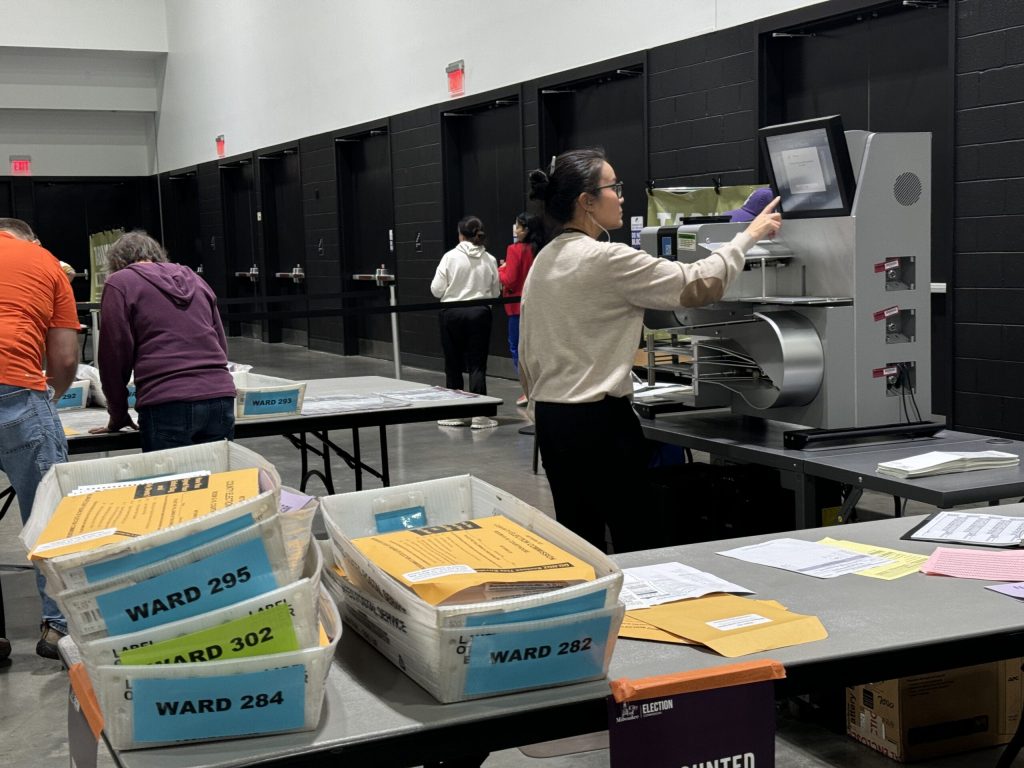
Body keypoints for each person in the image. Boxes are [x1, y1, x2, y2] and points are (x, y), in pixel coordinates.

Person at [519, 149, 781, 554]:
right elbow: (698, 284)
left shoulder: (545, 260)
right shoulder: (605, 258)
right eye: (614, 187)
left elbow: (527, 351)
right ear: (586, 202)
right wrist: (747, 236)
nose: (621, 196)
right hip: (598, 423)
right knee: (639, 539)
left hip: (553, 421)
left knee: (581, 539)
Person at [0, 217, 80, 660]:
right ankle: (56, 628)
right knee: (48, 510)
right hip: (16, 390)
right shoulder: (46, 262)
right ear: (31, 238)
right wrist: (52, 396)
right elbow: (65, 358)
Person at [88, 231, 236, 451]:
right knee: (215, 482)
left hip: (166, 400)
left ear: (116, 261)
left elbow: (114, 355)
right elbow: (219, 343)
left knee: (172, 483)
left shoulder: (120, 283)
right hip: (219, 395)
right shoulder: (195, 279)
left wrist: (118, 413)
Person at [430, 215, 501, 429]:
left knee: (452, 363)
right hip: (479, 313)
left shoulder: (449, 257)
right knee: (477, 365)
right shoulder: (489, 259)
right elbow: (496, 291)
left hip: (452, 312)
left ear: (461, 234)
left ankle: (455, 413)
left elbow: (436, 289)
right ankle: (480, 415)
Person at [498, 213, 543, 407]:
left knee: (517, 347)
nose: (515, 230)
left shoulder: (514, 250)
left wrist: (501, 269)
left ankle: (528, 390)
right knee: (537, 348)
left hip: (517, 306)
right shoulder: (541, 249)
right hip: (539, 304)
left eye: (517, 226)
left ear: (525, 229)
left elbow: (510, 279)